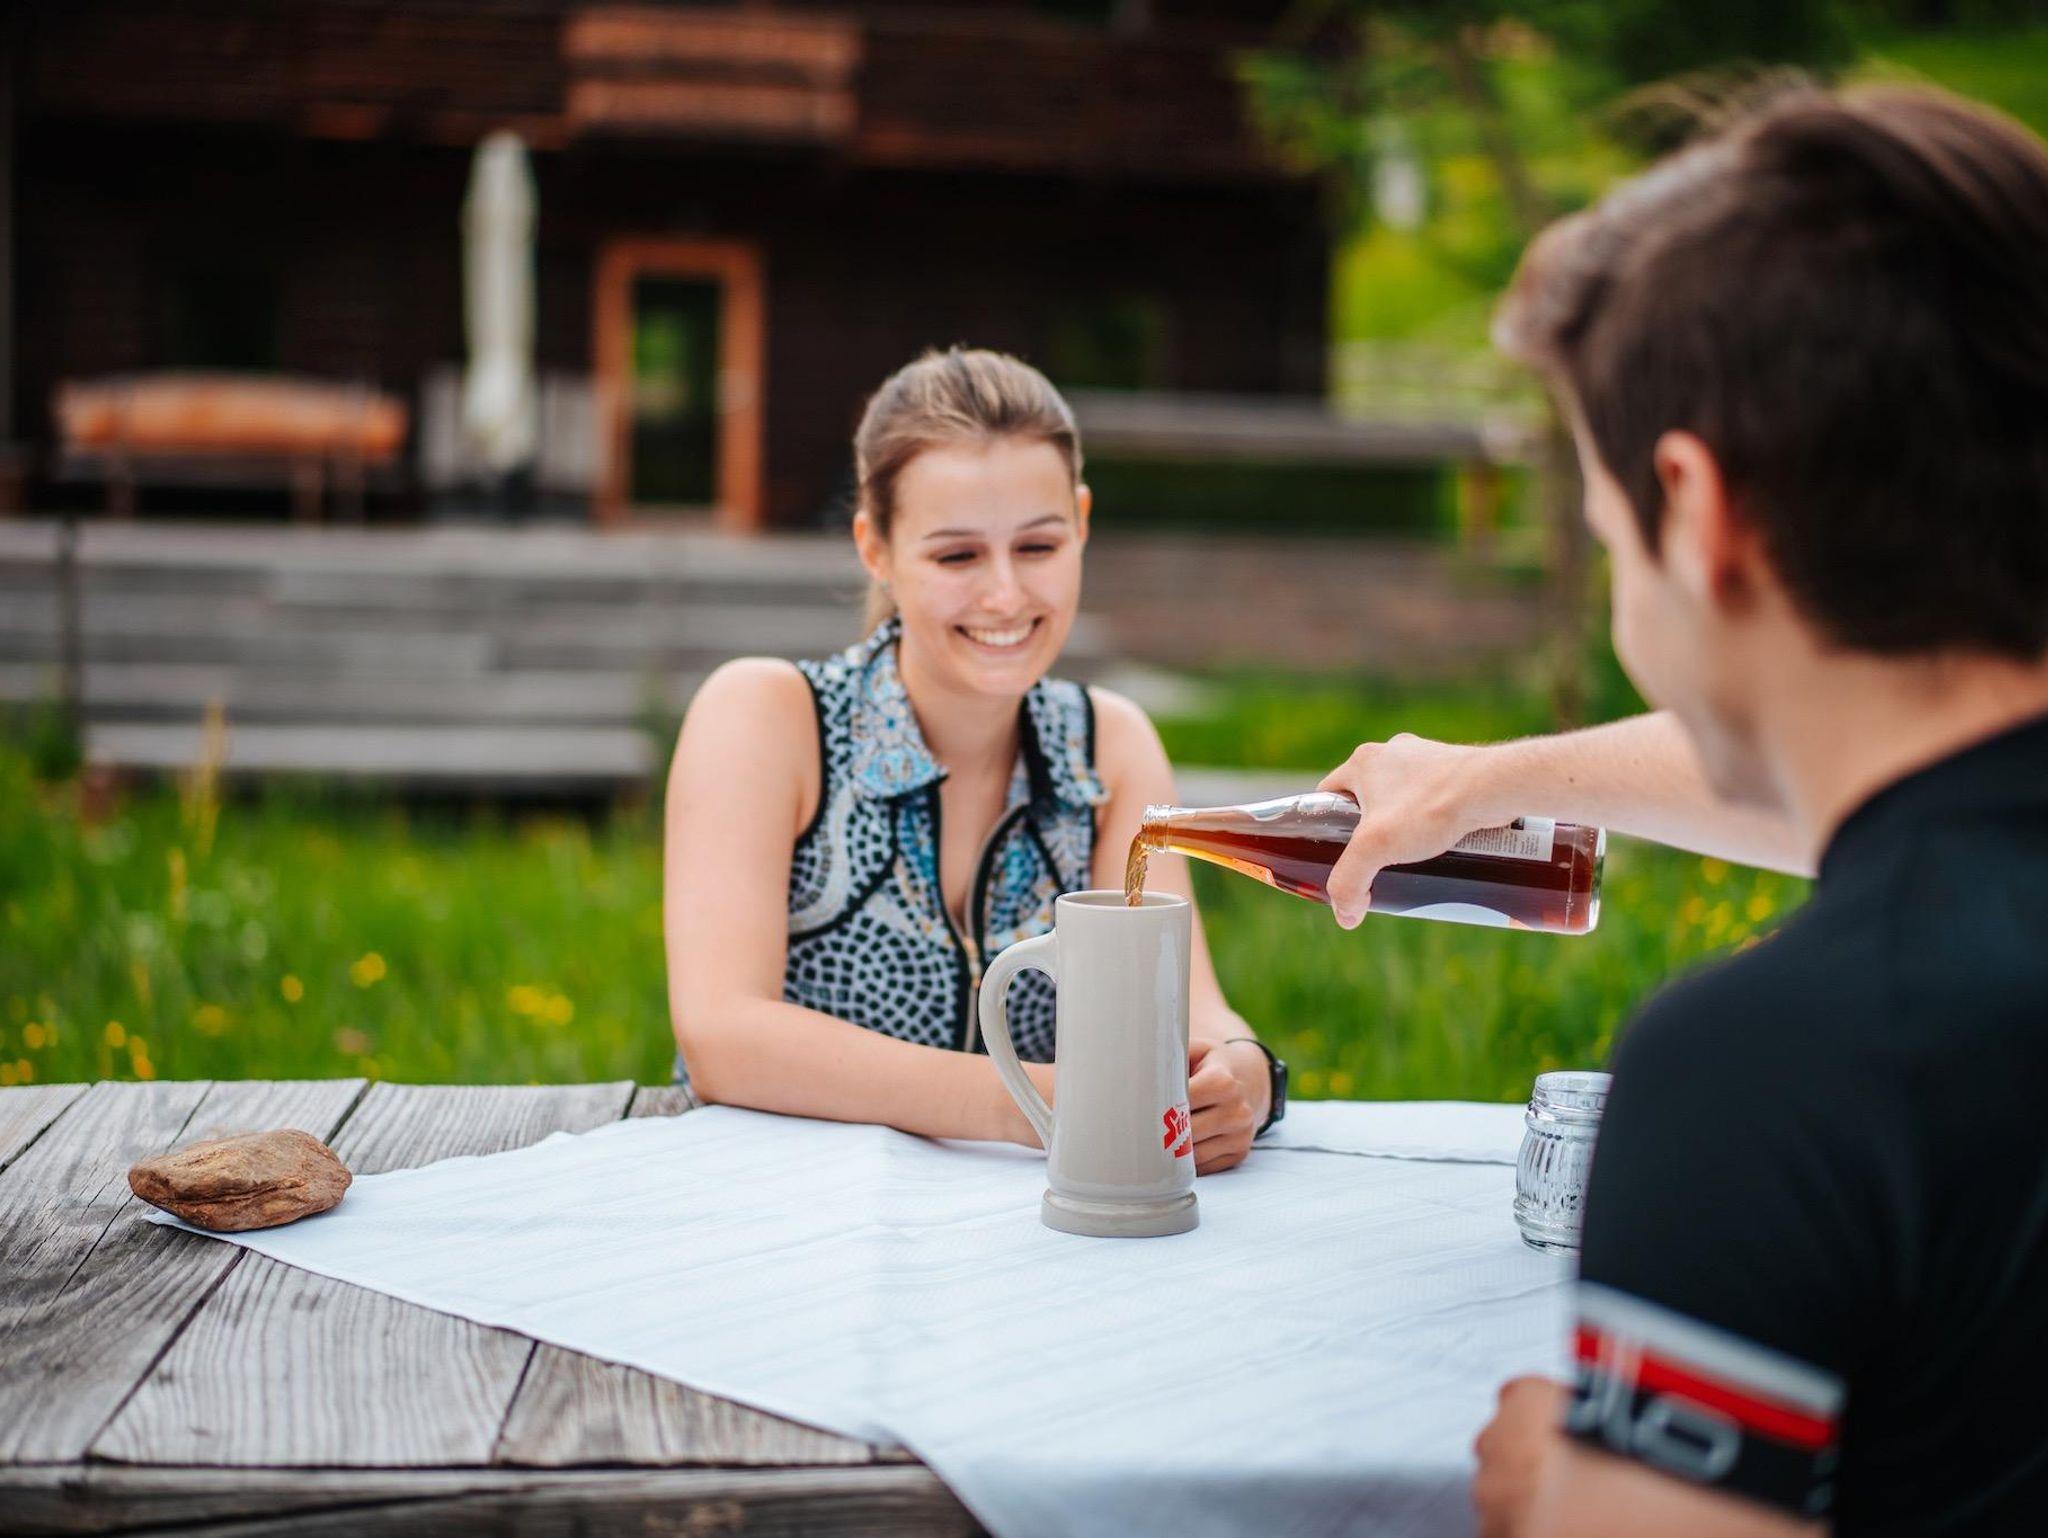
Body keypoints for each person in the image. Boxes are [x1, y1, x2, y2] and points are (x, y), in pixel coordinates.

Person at [1335, 86, 2048, 1535]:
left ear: (1695, 511)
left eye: (1608, 537)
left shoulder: (1775, 1070)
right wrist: (1485, 779)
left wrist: (1553, 1497)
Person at [663, 347, 1278, 1174]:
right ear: (875, 547)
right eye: (957, 556)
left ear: (1082, 523)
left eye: (1038, 547)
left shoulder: (1110, 745)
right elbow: (723, 1035)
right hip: (772, 1204)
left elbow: (1189, 1013)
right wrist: (1034, 1103)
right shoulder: (768, 717)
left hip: (1029, 1227)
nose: (1005, 595)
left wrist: (1245, 1078)